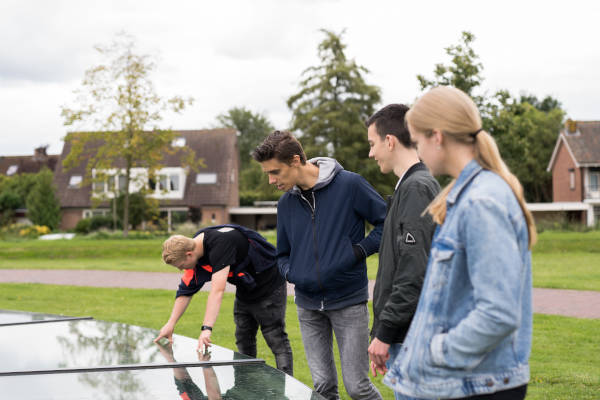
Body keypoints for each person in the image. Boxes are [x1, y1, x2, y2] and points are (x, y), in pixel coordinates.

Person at [384, 86, 536, 400]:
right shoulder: (465, 196)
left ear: (436, 136)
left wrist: (437, 350)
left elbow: (498, 312)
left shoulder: (482, 201)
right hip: (461, 383)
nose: (418, 151)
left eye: (417, 140)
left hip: (474, 386)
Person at [252, 130, 387, 400]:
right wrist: (293, 273)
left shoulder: (350, 185)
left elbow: (386, 223)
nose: (271, 180)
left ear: (294, 161)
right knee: (323, 387)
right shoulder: (286, 203)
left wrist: (358, 251)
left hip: (348, 299)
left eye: (275, 172)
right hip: (308, 306)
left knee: (357, 387)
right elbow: (282, 255)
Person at [364, 104, 440, 384]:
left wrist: (385, 333)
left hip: (411, 337)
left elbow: (413, 271)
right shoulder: (410, 186)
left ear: (390, 141)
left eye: (372, 144)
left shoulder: (416, 188)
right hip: (405, 334)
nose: (371, 153)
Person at [155, 224, 294, 376]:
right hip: (245, 287)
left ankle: (288, 386)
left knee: (275, 337)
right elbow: (185, 290)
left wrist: (206, 329)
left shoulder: (220, 244)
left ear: (189, 254)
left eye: (181, 266)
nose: (181, 269)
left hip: (269, 286)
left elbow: (217, 291)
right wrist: (171, 324)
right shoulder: (196, 247)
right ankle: (246, 384)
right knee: (243, 338)